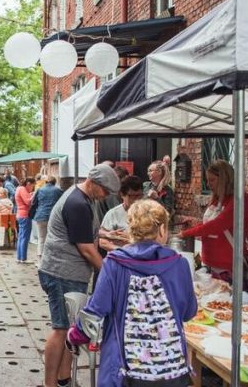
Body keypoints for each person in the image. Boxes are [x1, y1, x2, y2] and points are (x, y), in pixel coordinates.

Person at [67, 199, 196, 387]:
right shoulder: (179, 264)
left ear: (131, 230)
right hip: (169, 372)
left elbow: (94, 312)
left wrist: (74, 335)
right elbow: (189, 312)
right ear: (161, 231)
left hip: (123, 372)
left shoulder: (114, 263)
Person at [38, 164, 119, 387]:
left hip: (69, 273)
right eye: (105, 191)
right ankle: (50, 383)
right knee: (61, 328)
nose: (105, 197)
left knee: (70, 328)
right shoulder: (77, 203)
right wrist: (108, 271)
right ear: (93, 183)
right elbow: (85, 248)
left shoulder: (84, 198)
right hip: (61, 272)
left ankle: (64, 377)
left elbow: (88, 232)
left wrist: (106, 235)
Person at [179, 160, 248, 283]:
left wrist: (186, 233)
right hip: (211, 262)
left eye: (212, 180)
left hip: (229, 263)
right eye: (207, 180)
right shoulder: (217, 198)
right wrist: (189, 230)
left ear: (224, 179)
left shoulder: (240, 199)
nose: (208, 184)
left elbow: (217, 225)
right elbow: (207, 224)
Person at [98, 176, 143, 252]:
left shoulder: (147, 213)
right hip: (120, 258)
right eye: (132, 196)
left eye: (139, 195)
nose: (136, 199)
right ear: (122, 195)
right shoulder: (113, 214)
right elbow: (102, 242)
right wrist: (122, 250)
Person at [31, 176, 63, 264]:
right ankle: (51, 260)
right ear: (54, 182)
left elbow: (34, 203)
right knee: (53, 238)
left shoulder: (40, 190)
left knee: (41, 239)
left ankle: (40, 262)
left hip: (41, 216)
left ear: (46, 182)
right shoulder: (58, 191)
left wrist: (32, 215)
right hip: (53, 217)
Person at [15, 177, 36, 264]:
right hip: (25, 215)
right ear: (28, 184)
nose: (32, 188)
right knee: (25, 237)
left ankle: (19, 257)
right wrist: (34, 194)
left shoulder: (19, 188)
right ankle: (23, 258)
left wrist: (30, 193)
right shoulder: (22, 189)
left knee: (21, 237)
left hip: (20, 214)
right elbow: (27, 201)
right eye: (32, 186)